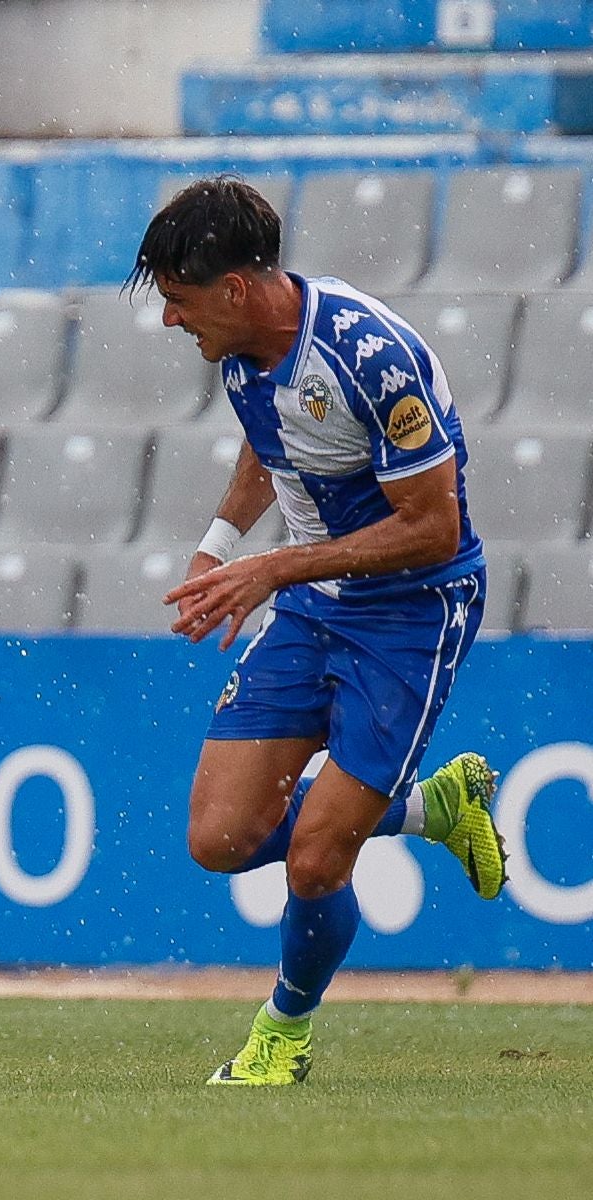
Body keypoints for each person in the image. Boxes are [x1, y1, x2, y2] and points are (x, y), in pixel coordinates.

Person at [126, 176, 507, 1085]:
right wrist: (220, 547)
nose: (171, 323)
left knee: (313, 858)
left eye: (179, 302)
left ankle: (280, 1038)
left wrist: (269, 568)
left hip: (412, 612)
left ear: (233, 289)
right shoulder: (241, 349)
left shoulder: (370, 357)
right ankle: (428, 808)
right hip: (312, 602)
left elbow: (433, 526)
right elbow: (274, 441)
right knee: (218, 838)